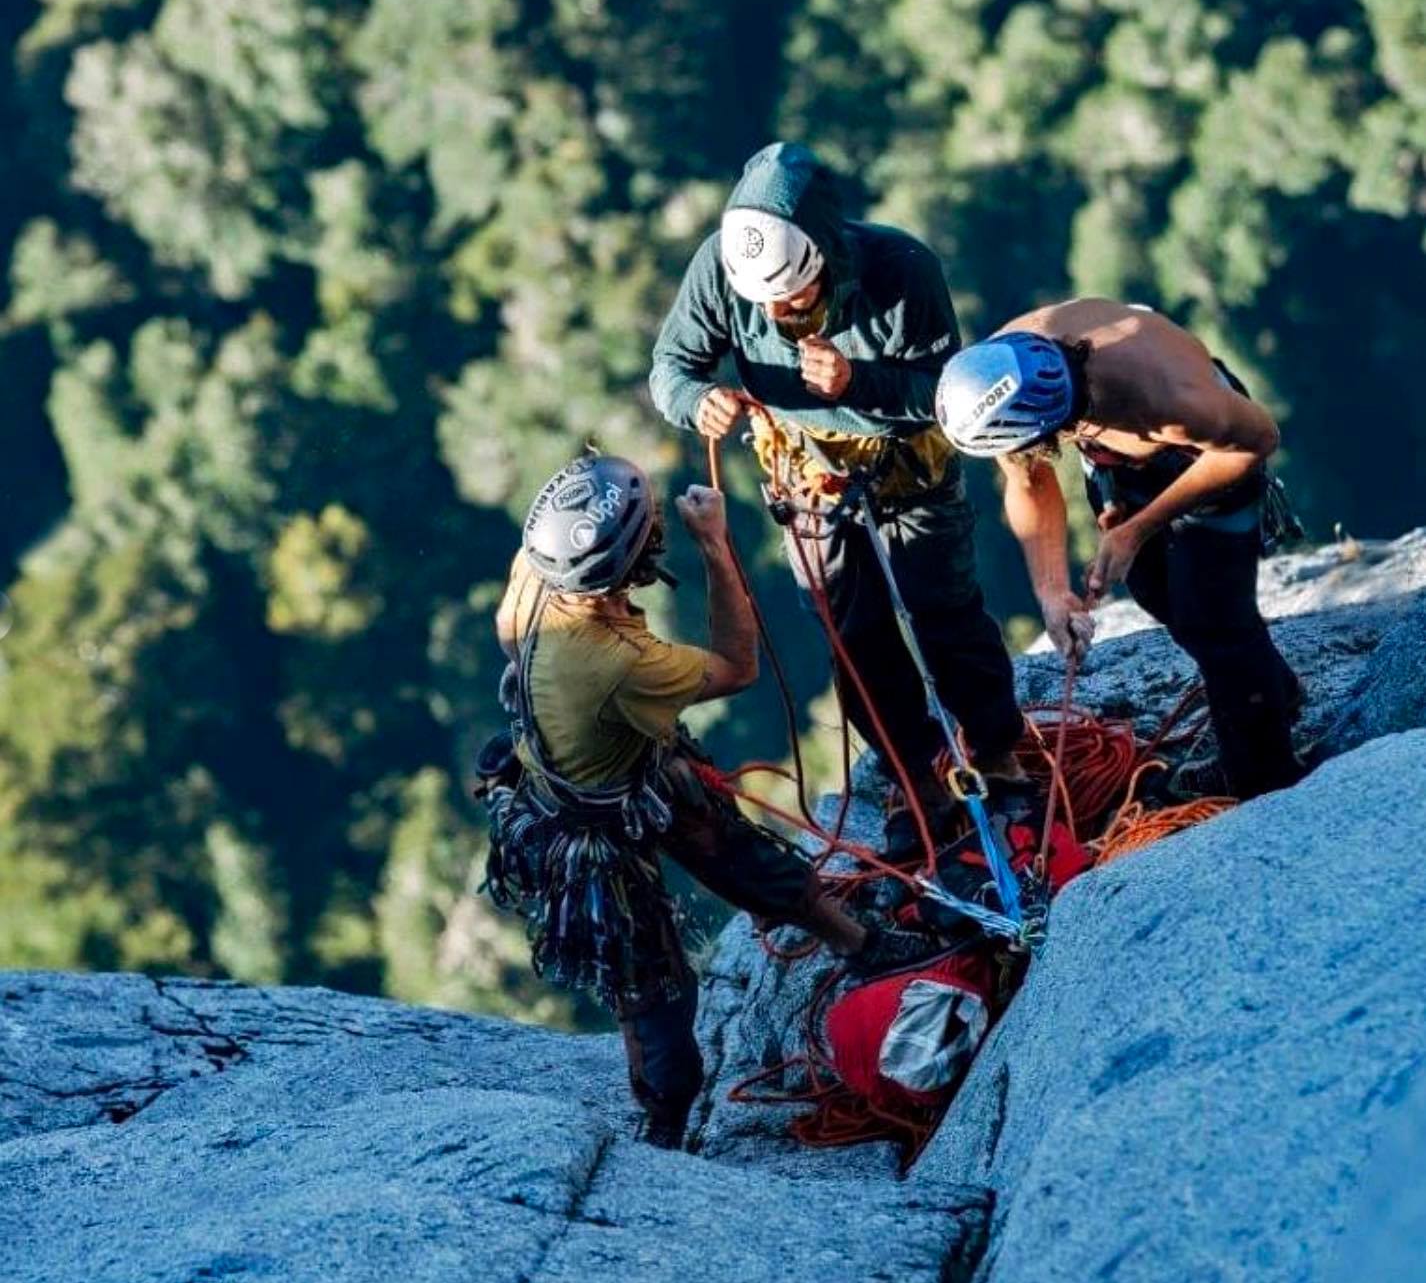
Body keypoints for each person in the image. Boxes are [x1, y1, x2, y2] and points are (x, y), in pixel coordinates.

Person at [481, 454, 935, 1150]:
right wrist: (715, 545)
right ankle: (664, 1128)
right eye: (653, 524)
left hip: (606, 768)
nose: (661, 522)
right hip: (591, 832)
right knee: (657, 989)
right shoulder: (619, 664)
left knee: (739, 853)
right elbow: (738, 666)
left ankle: (859, 943)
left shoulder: (533, 575)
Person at [649, 141, 1026, 827]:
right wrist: (694, 399)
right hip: (808, 480)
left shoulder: (902, 271)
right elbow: (672, 366)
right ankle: (915, 779)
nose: (778, 312)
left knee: (944, 611)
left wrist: (859, 383)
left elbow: (946, 392)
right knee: (856, 638)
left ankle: (998, 751)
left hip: (909, 466)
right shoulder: (724, 270)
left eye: (793, 294)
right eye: (764, 300)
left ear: (824, 253)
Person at [934, 297, 1306, 799]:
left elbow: (1257, 439)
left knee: (1215, 621)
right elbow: (1027, 479)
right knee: (1154, 590)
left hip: (1208, 458)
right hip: (1117, 463)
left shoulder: (1168, 395)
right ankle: (1270, 696)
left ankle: (1264, 772)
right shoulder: (1005, 370)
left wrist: (1136, 530)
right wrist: (1051, 591)